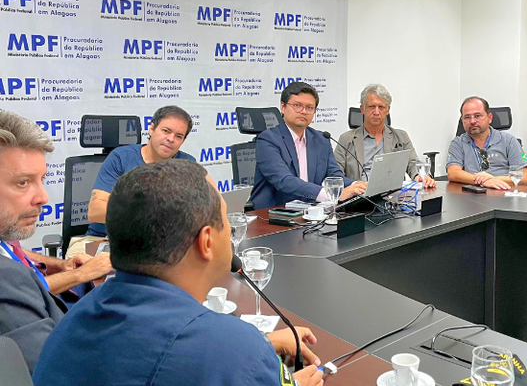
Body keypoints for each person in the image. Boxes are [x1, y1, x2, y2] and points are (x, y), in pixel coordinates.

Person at [34, 160, 323, 386]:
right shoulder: (234, 351)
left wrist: (260, 347)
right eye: (225, 220)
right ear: (206, 241)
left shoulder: (74, 318)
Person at [0, 111, 111, 372]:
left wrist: (60, 265)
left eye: (42, 179)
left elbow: (14, 251)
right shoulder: (7, 279)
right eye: (23, 182)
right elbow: (57, 372)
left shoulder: (5, 237)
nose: (43, 197)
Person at [71, 105, 198, 257]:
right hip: (102, 240)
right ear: (151, 129)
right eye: (166, 131)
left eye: (179, 136)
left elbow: (197, 211)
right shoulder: (120, 157)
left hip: (159, 243)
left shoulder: (187, 164)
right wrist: (150, 214)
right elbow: (95, 211)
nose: (171, 139)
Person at [249, 82, 366, 209]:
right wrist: (332, 194)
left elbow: (334, 176)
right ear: (283, 107)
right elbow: (284, 181)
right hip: (274, 214)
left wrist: (357, 186)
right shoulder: (268, 139)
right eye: (297, 105)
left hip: (311, 213)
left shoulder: (321, 139)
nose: (304, 111)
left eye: (310, 107)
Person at [334, 84, 436, 187]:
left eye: (381, 107)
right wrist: (354, 185)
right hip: (359, 196)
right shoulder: (346, 140)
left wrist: (420, 175)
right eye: (372, 107)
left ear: (387, 110)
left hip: (392, 197)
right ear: (362, 109)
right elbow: (335, 174)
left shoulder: (401, 137)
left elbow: (413, 163)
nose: (376, 112)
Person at [446, 97, 527, 190]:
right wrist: (482, 181)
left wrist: (492, 179)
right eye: (467, 117)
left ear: (489, 118)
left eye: (477, 116)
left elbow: (524, 178)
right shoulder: (457, 143)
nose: (472, 121)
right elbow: (453, 173)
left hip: (503, 193)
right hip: (471, 195)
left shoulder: (509, 141)